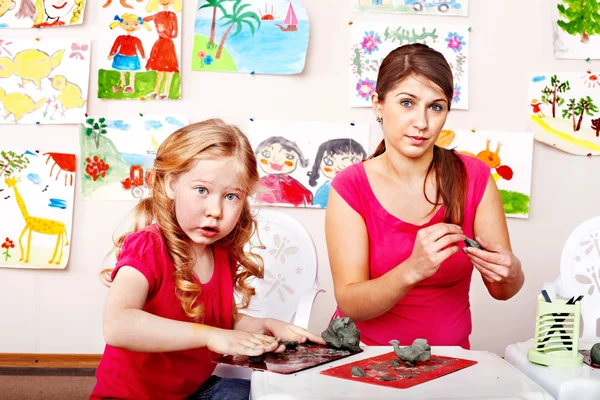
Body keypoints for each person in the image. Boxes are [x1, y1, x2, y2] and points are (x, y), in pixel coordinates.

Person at [90, 119, 324, 400]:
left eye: (231, 196)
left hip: (193, 391)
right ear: (170, 184)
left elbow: (220, 321)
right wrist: (210, 336)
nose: (215, 210)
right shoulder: (147, 246)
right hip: (130, 397)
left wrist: (268, 325)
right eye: (202, 190)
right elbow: (117, 325)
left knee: (270, 394)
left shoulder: (222, 252)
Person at [325, 44, 524, 349]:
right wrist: (413, 268)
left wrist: (513, 272)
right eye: (407, 103)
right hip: (363, 359)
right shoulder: (350, 186)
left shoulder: (475, 177)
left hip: (451, 364)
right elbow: (350, 303)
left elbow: (503, 290)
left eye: (435, 107)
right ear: (378, 104)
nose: (422, 123)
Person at [143, 0, 181, 99]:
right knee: (159, 71)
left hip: (168, 45)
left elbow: (175, 34)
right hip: (160, 44)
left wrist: (164, 31)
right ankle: (155, 91)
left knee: (169, 71)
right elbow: (144, 19)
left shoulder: (173, 15)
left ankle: (165, 92)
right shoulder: (157, 15)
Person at [108, 14, 151, 93]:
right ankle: (121, 86)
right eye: (127, 24)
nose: (131, 26)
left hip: (132, 58)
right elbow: (115, 45)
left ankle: (131, 86)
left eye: (134, 24)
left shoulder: (136, 39)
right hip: (122, 57)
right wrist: (111, 54)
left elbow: (140, 48)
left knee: (132, 74)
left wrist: (144, 56)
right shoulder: (120, 38)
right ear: (122, 24)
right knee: (122, 73)